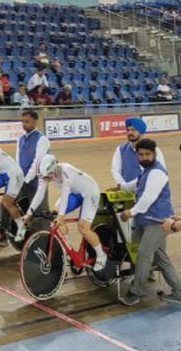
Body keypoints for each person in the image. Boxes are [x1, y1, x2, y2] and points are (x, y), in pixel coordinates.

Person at [116, 139, 181, 305]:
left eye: (148, 154)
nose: (144, 157)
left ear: (154, 154)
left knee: (144, 254)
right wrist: (120, 187)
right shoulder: (146, 171)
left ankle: (135, 291)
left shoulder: (157, 172)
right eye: (141, 154)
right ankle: (179, 291)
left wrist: (131, 212)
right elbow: (135, 185)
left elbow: (147, 198)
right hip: (147, 220)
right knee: (160, 258)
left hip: (158, 222)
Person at [23, 155, 107, 272]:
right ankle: (69, 251)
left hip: (90, 192)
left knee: (83, 227)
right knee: (55, 215)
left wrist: (61, 216)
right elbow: (40, 193)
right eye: (44, 177)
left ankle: (101, 255)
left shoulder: (66, 170)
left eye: (48, 176)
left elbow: (65, 195)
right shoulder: (45, 174)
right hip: (76, 192)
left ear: (54, 169)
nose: (46, 179)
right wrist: (29, 213)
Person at [16, 110, 51, 225]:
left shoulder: (42, 139)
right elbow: (17, 160)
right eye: (22, 122)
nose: (24, 124)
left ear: (36, 121)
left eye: (27, 121)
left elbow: (37, 162)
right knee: (21, 209)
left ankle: (46, 234)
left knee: (40, 213)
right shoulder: (20, 139)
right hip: (23, 181)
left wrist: (27, 179)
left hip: (37, 182)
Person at [112, 117, 166, 188]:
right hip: (126, 191)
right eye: (128, 130)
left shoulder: (154, 149)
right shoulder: (121, 149)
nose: (130, 133)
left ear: (141, 132)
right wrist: (123, 185)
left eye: (133, 130)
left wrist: (126, 187)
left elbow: (160, 172)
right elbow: (115, 170)